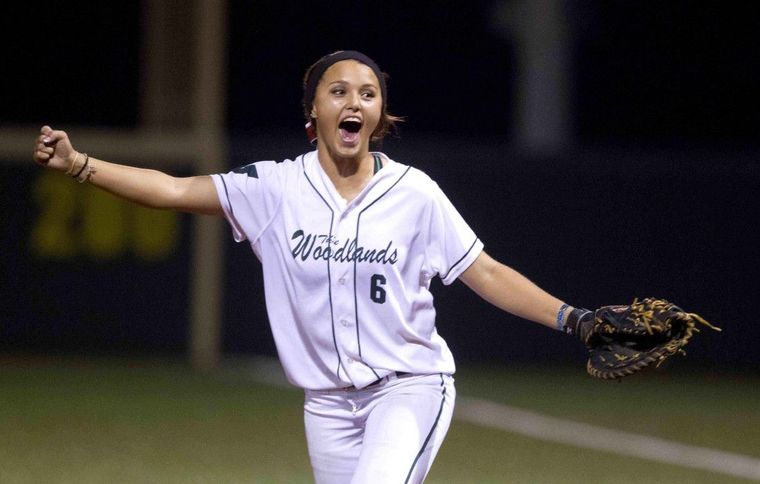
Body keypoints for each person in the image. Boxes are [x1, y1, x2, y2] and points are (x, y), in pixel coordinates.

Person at [33, 50, 590, 483]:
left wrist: (573, 319)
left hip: (408, 388)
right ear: (314, 111)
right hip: (325, 405)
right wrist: (80, 164)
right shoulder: (274, 188)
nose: (354, 102)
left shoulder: (414, 193)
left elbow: (486, 273)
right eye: (339, 90)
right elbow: (173, 189)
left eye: (368, 94)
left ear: (379, 115)